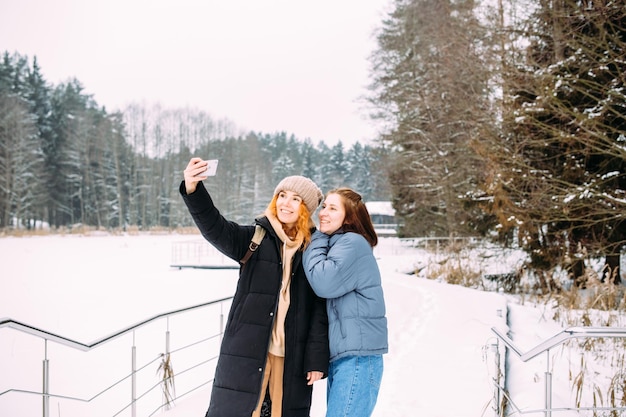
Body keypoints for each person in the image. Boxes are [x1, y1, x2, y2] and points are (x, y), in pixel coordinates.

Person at [180, 157, 330, 417]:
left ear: (306, 208)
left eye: (296, 198)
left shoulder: (314, 249)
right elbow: (214, 227)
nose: (286, 202)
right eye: (282, 195)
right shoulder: (255, 237)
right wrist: (193, 189)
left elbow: (320, 308)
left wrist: (317, 359)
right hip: (247, 352)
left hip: (291, 357)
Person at [302, 187, 388, 417]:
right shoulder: (342, 243)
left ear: (349, 217)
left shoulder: (352, 243)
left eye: (332, 208)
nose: (323, 213)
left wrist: (316, 236)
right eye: (323, 207)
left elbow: (323, 281)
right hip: (349, 356)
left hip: (358, 358)